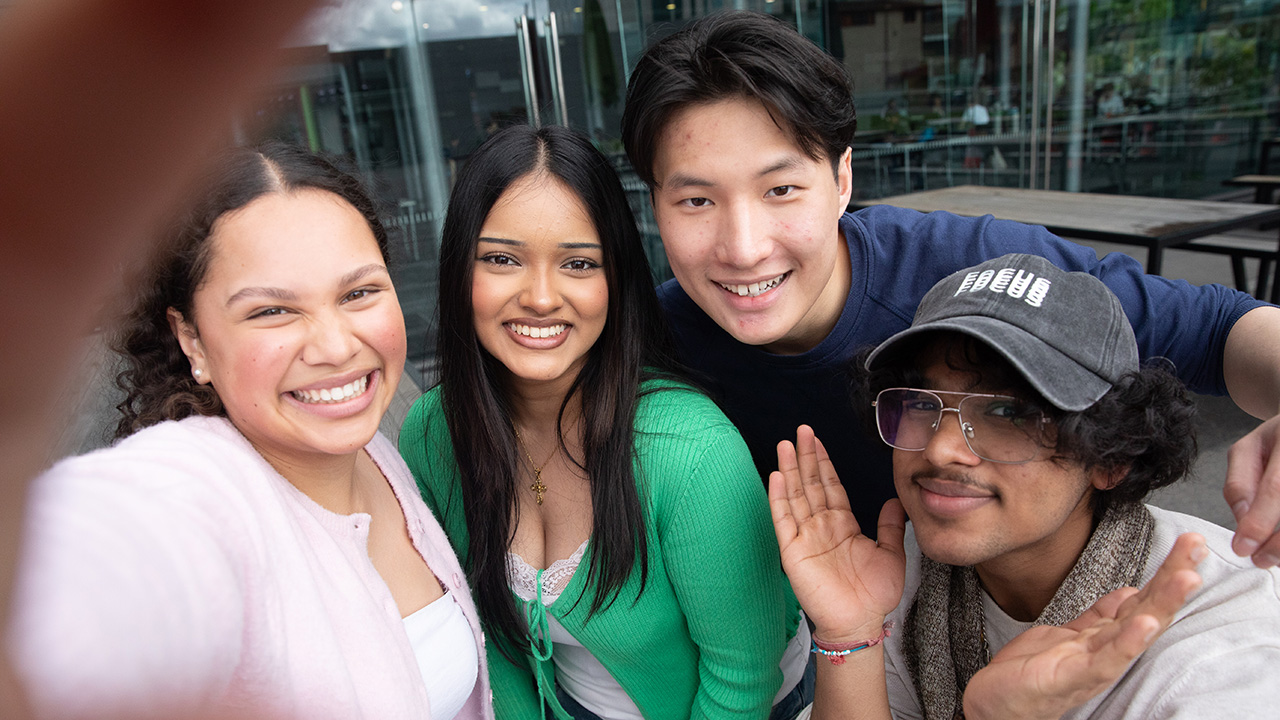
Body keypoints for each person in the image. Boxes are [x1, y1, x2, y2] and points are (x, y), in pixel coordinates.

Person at [618, 9, 1280, 566]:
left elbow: (1219, 329)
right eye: (697, 201)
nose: (743, 247)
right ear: (655, 206)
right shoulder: (655, 338)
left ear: (842, 181)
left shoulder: (967, 268)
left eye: (781, 189)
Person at [6, 142, 493, 720]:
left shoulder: (379, 452)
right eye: (272, 311)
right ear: (192, 341)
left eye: (358, 293)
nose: (336, 346)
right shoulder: (202, 491)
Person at [399, 124, 809, 720]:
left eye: (578, 264)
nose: (541, 297)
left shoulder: (689, 451)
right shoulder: (434, 433)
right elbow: (491, 641)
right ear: (460, 270)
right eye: (502, 259)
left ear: (616, 281)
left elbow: (741, 677)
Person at [770, 254, 1280, 719]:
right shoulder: (902, 582)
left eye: (1009, 412)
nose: (941, 449)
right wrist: (849, 635)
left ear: (1113, 456)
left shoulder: (1220, 639)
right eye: (922, 403)